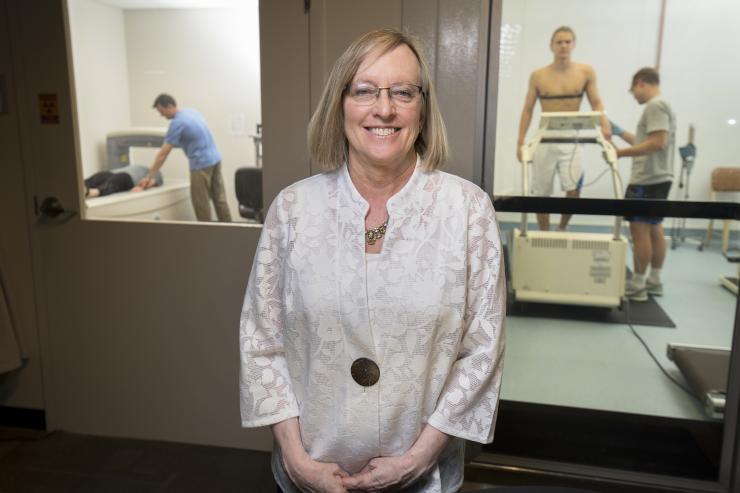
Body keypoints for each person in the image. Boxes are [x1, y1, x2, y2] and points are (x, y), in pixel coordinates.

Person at [239, 29, 506, 493]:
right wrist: (297, 461)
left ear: (422, 109)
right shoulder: (292, 210)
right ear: (339, 104)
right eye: (364, 90)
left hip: (423, 476)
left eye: (403, 92)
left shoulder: (467, 210)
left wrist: (418, 459)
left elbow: (482, 351)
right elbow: (262, 344)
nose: (384, 109)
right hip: (310, 471)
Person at [517, 26, 611, 231]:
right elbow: (527, 109)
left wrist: (605, 125)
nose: (564, 46)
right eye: (559, 42)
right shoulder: (538, 75)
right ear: (551, 46)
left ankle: (561, 228)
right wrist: (520, 142)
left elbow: (596, 102)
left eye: (568, 42)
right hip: (546, 136)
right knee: (542, 191)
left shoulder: (585, 72)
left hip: (572, 135)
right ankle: (544, 233)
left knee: (574, 189)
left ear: (574, 45)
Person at [611, 67, 676, 302]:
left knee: (639, 232)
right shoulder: (662, 106)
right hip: (660, 178)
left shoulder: (655, 106)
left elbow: (657, 143)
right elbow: (645, 140)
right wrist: (618, 131)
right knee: (654, 229)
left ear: (641, 83)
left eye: (633, 92)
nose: (635, 97)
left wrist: (620, 153)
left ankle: (638, 285)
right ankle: (654, 280)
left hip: (646, 180)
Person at [138, 94, 231, 222]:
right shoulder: (192, 112)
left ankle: (205, 237)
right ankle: (230, 230)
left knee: (201, 203)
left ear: (169, 106)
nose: (162, 115)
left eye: (162, 111)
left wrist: (149, 176)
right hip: (215, 159)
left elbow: (162, 155)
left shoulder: (177, 123)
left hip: (201, 164)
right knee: (219, 199)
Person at [84, 164, 162, 198]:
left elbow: (157, 180)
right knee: (100, 176)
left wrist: (143, 187)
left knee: (115, 181)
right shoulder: (142, 168)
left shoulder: (156, 174)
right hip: (112, 172)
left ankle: (89, 192)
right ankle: (81, 187)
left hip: (128, 178)